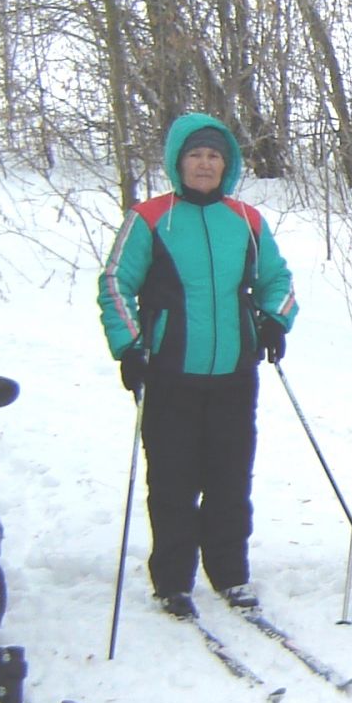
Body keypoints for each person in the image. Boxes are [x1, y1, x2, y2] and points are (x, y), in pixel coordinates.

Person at [98, 113, 298, 618]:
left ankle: (231, 574)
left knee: (230, 477)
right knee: (172, 479)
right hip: (169, 372)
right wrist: (130, 347)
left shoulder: (247, 221)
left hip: (234, 371)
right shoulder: (149, 219)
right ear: (177, 162)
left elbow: (278, 279)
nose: (204, 164)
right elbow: (115, 283)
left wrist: (274, 321)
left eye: (214, 156)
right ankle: (172, 581)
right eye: (195, 155)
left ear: (226, 165)